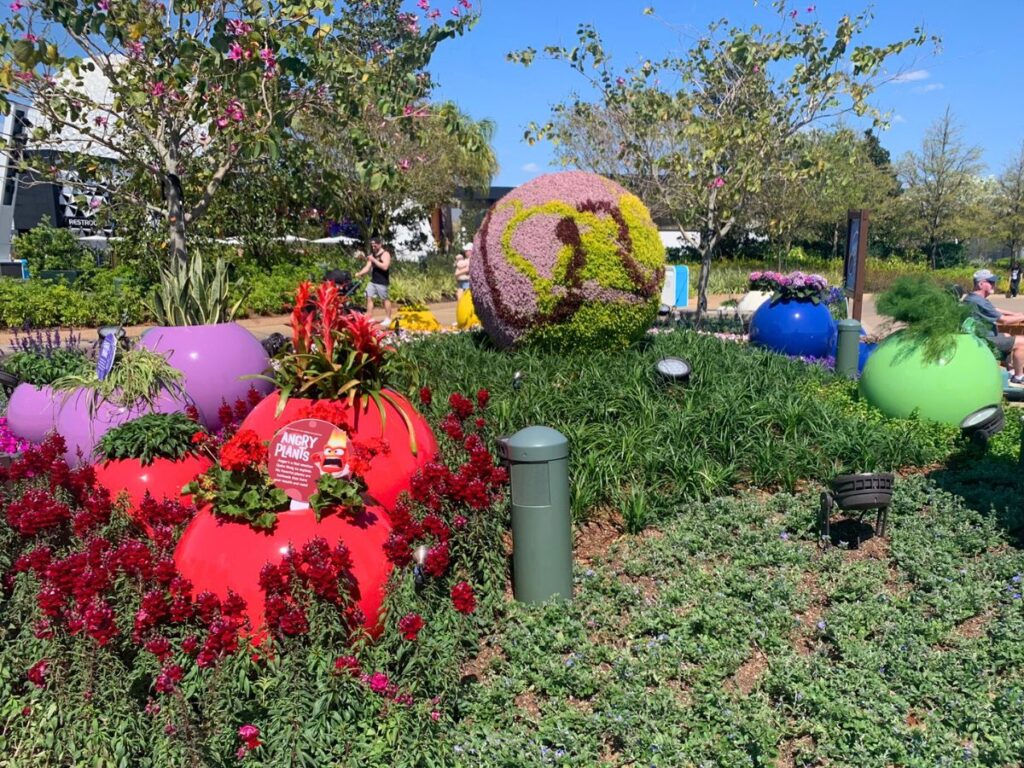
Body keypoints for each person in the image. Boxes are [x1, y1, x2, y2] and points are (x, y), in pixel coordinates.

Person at [964, 268, 1024, 384]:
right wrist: (1022, 317)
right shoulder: (979, 301)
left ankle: (1010, 371)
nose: (994, 285)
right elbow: (1004, 321)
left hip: (982, 336)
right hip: (985, 339)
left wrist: (1016, 314)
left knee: (1006, 334)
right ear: (981, 284)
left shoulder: (973, 298)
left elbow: (994, 310)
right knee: (1022, 342)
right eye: (990, 282)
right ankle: (1018, 377)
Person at [355, 238, 392, 325]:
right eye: (372, 245)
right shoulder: (373, 255)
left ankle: (388, 318)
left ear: (380, 244)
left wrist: (374, 260)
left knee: (384, 299)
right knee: (369, 296)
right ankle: (369, 317)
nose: (373, 247)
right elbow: (367, 268)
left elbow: (385, 267)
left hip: (382, 281)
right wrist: (359, 273)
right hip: (373, 281)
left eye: (375, 245)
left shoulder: (385, 254)